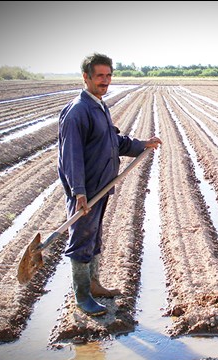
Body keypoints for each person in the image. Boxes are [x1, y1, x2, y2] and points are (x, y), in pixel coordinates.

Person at [58, 53, 162, 316]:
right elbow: (71, 156)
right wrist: (78, 191)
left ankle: (94, 285)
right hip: (86, 191)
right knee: (81, 240)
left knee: (93, 239)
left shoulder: (99, 106)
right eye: (100, 76)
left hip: (101, 186)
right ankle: (82, 297)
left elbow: (113, 142)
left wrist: (141, 145)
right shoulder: (78, 112)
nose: (105, 81)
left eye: (108, 75)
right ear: (86, 77)